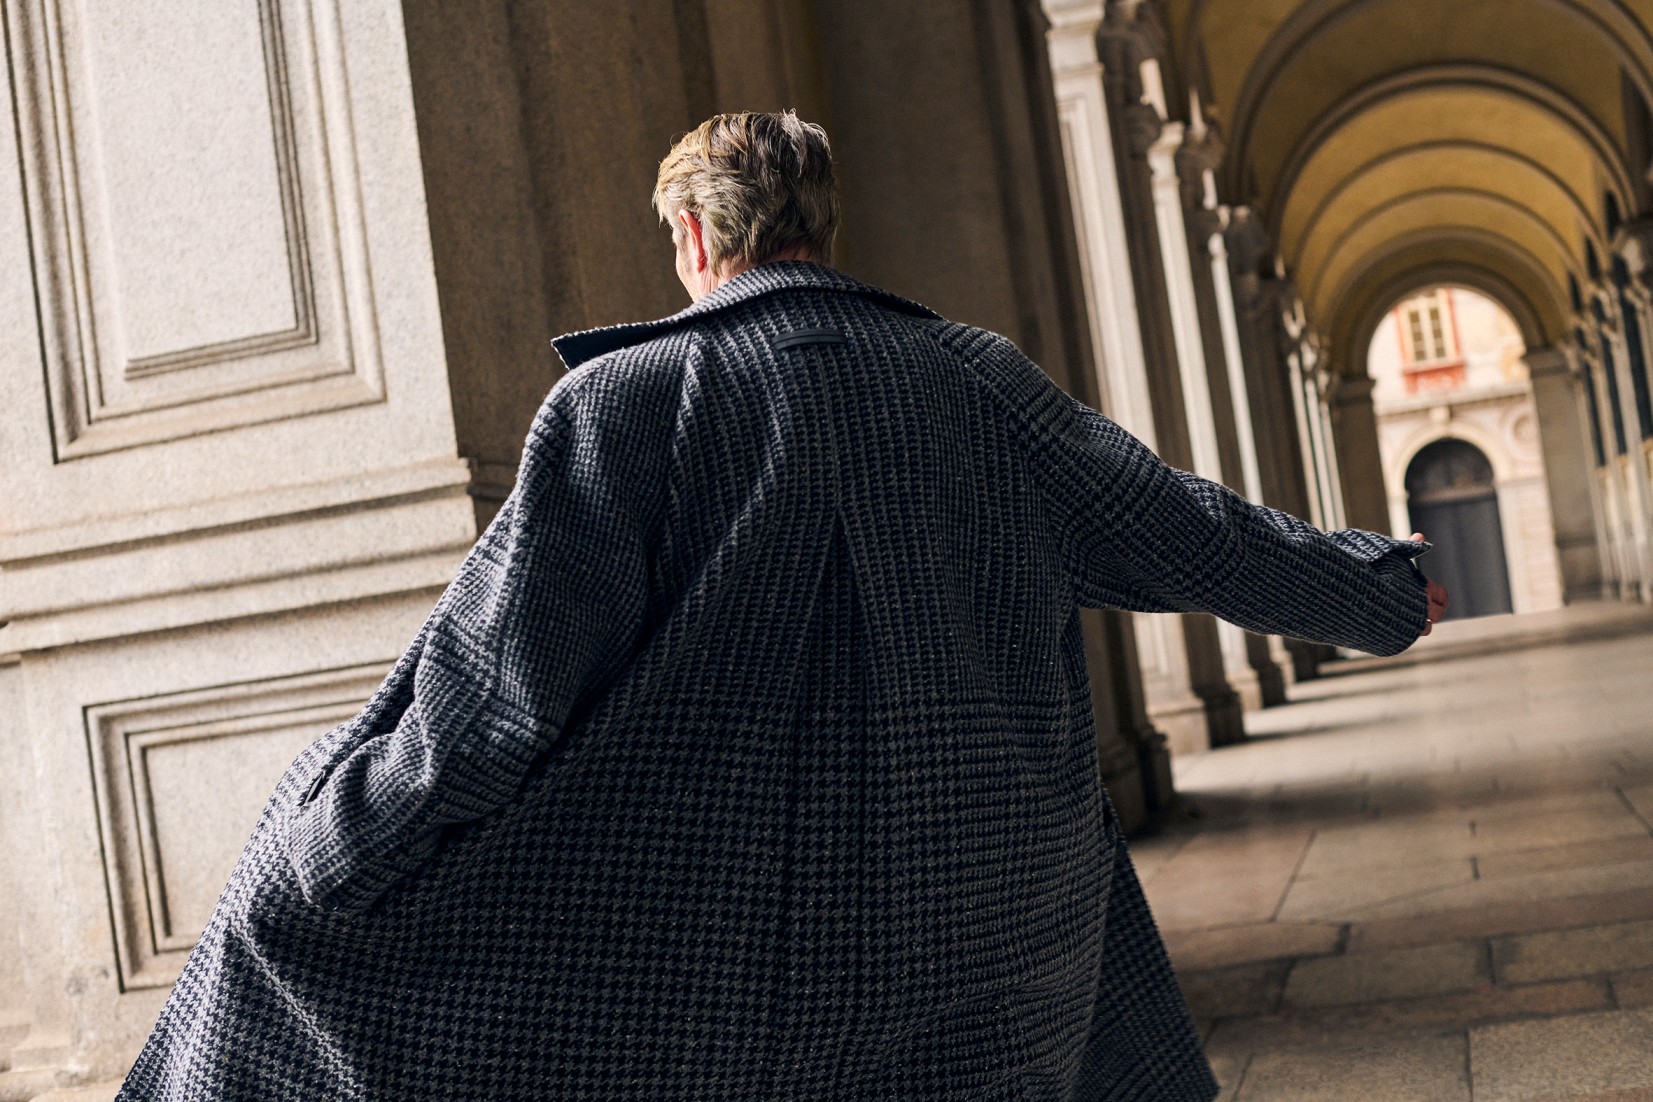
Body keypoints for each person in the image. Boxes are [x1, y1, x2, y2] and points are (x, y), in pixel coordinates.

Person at [119, 110, 1448, 1102]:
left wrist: (321, 857)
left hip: (711, 977)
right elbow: (1191, 535)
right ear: (822, 227)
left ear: (694, 237)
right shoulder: (977, 382)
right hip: (979, 942)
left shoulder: (621, 407)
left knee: (276, 935)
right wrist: (1380, 587)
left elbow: (483, 706)